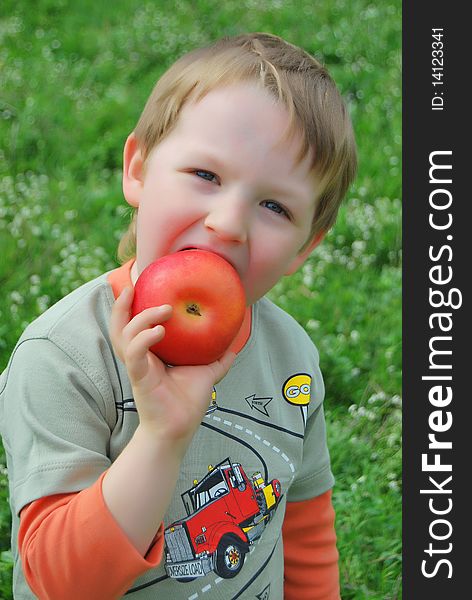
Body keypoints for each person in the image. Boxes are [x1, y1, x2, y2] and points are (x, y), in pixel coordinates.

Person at [0, 32, 356, 599]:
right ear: (138, 169)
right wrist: (162, 435)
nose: (228, 222)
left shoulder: (290, 357)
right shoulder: (64, 358)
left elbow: (305, 523)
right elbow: (58, 584)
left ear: (305, 247)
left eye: (274, 207)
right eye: (206, 176)